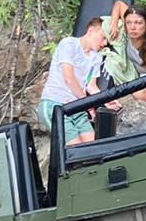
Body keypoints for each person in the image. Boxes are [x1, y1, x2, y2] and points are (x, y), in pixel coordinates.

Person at [37, 17, 109, 145]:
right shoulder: (69, 44)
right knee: (75, 151)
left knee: (93, 147)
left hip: (78, 107)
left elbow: (91, 86)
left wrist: (107, 100)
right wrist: (88, 104)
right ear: (91, 30)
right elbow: (69, 78)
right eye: (103, 38)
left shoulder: (96, 58)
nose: (104, 43)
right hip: (55, 104)